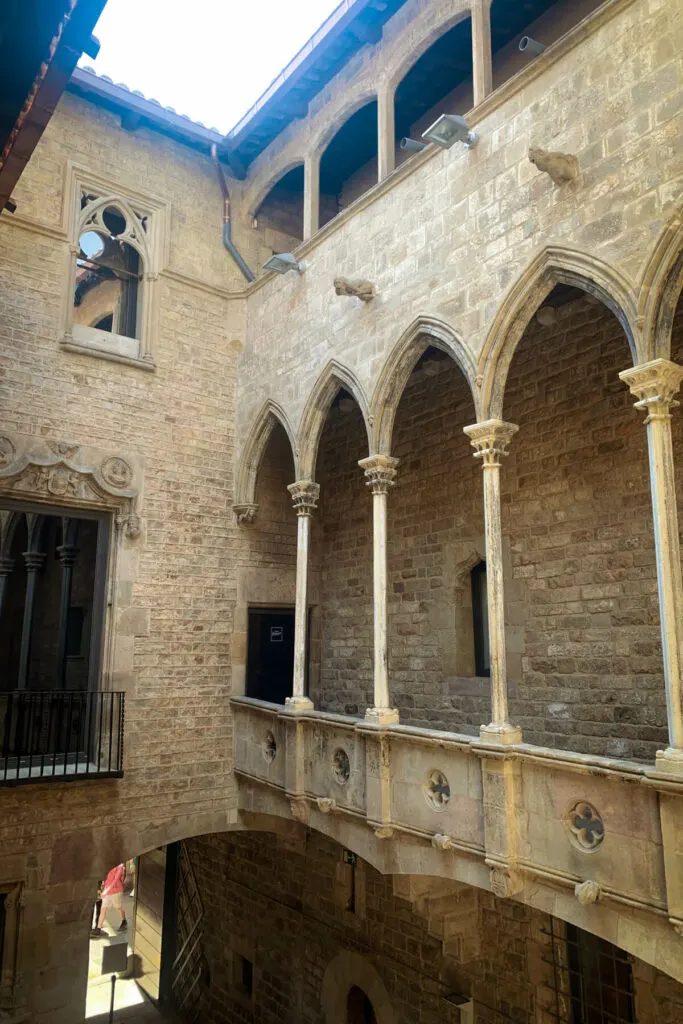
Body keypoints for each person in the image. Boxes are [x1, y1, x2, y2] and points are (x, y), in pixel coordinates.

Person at [97, 863, 127, 934]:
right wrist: (104, 889)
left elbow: (115, 880)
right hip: (107, 891)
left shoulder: (120, 867)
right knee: (103, 909)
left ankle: (124, 920)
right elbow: (107, 879)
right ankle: (98, 929)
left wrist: (105, 891)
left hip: (116, 891)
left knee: (118, 907)